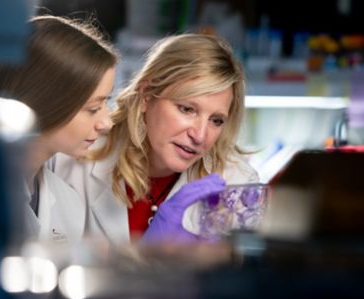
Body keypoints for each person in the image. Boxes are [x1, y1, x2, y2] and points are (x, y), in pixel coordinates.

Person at [53, 33, 259, 245]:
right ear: (146, 96)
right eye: (187, 109)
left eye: (216, 120)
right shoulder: (74, 159)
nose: (200, 136)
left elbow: (241, 275)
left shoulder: (236, 183)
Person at [0, 15, 118, 242]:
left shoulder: (68, 204)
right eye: (93, 108)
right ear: (43, 101)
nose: (107, 123)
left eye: (106, 102)